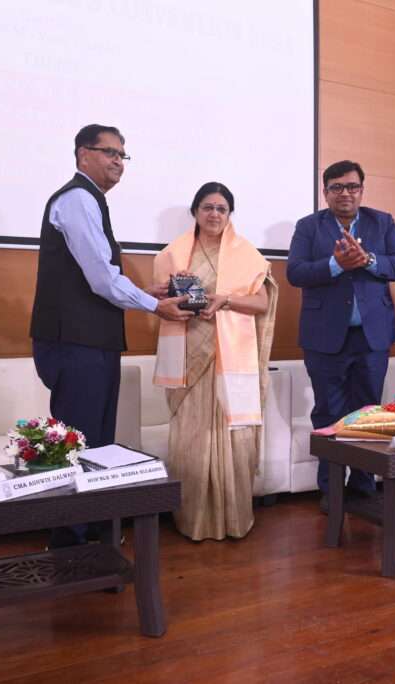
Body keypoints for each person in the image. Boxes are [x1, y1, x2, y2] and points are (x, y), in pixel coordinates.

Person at [29, 124, 192, 547]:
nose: (119, 162)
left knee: (97, 441)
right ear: (83, 154)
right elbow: (102, 279)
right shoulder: (78, 199)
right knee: (77, 441)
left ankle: (93, 534)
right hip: (74, 342)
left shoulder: (92, 200)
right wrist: (154, 304)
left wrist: (147, 293)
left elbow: (98, 278)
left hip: (93, 341)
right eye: (110, 153)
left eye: (123, 155)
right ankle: (70, 541)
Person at [152, 182, 277, 540]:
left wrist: (226, 300)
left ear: (229, 214)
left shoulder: (247, 256)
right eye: (207, 207)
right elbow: (160, 305)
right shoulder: (171, 256)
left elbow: (261, 304)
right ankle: (191, 519)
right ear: (195, 211)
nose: (214, 214)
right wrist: (176, 298)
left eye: (221, 209)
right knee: (191, 437)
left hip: (231, 355)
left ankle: (233, 518)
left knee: (231, 438)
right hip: (188, 354)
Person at [287, 160, 395, 503]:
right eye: (337, 187)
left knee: (368, 413)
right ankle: (331, 489)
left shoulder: (381, 222)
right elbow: (295, 272)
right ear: (325, 192)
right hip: (324, 337)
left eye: (352, 186)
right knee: (328, 413)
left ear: (362, 190)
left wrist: (368, 260)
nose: (345, 193)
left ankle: (363, 485)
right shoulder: (309, 226)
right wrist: (335, 265)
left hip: (372, 337)